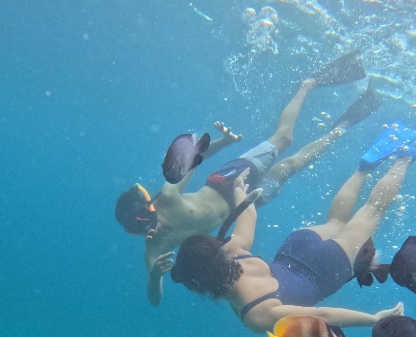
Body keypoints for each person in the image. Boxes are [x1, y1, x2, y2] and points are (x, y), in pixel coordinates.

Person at [114, 51, 381, 306]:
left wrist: (225, 142)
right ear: (136, 229)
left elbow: (197, 157)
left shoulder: (169, 195)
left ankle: (307, 85)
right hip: (244, 206)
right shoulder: (155, 247)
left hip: (227, 180)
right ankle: (345, 125)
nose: (153, 221)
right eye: (144, 223)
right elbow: (155, 300)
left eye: (148, 213)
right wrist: (155, 276)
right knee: (293, 164)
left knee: (284, 139)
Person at [168, 124, 416, 334]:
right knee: (336, 220)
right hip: (296, 248)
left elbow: (322, 315)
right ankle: (363, 168)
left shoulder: (256, 314)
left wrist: (373, 319)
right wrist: (240, 191)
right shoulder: (231, 250)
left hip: (325, 269)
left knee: (372, 211)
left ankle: (404, 158)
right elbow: (247, 216)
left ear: (202, 286)